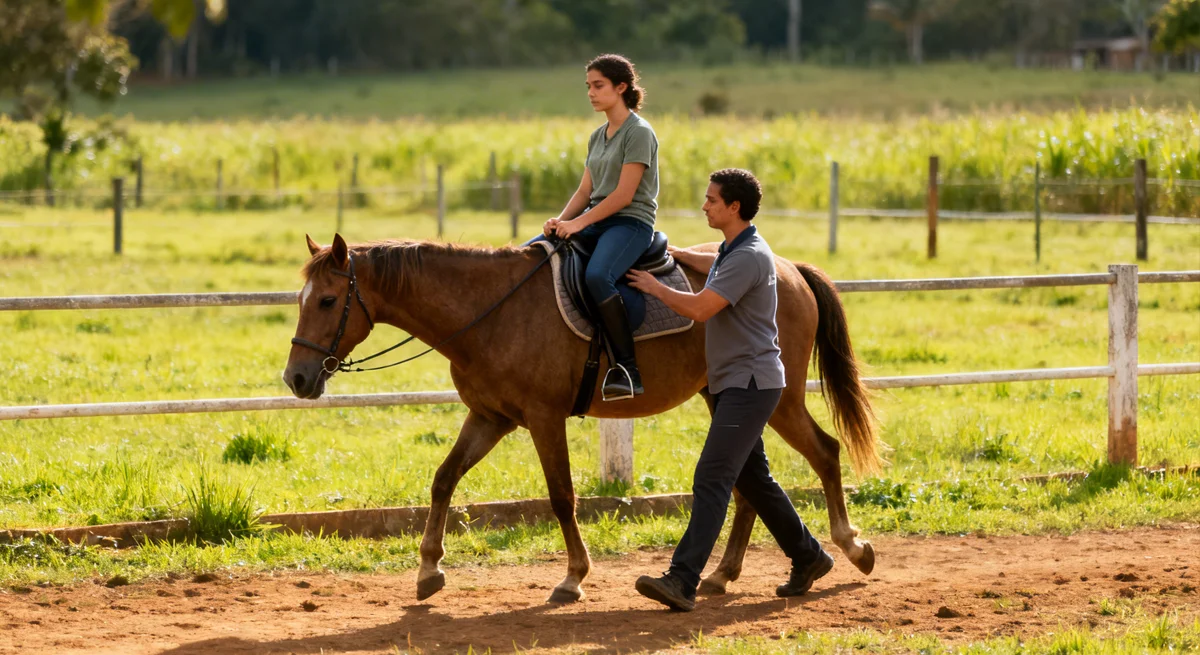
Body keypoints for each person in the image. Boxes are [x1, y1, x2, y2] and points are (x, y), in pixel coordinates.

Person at [626, 168, 833, 611]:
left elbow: (701, 308)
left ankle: (681, 580)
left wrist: (655, 287)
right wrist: (678, 253)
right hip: (732, 383)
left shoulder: (749, 257)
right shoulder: (734, 250)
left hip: (750, 385)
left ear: (733, 207)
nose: (704, 205)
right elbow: (713, 264)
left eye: (711, 200)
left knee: (713, 476)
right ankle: (809, 556)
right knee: (753, 479)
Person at [527, 53, 659, 401]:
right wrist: (560, 221)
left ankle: (627, 368)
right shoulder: (597, 135)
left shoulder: (639, 133)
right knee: (530, 255)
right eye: (588, 86)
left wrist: (579, 223)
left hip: (630, 222)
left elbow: (623, 195)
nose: (591, 93)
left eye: (598, 86)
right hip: (595, 219)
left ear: (621, 87)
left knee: (599, 276)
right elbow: (586, 191)